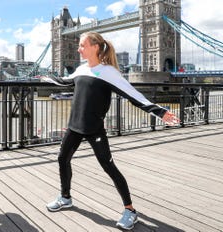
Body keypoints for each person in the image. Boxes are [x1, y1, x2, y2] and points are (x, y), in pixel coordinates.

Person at [43, 31, 180, 230]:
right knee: (62, 159)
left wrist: (161, 112)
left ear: (95, 47)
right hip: (74, 127)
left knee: (109, 168)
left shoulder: (109, 73)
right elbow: (64, 82)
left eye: (82, 45)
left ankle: (130, 210)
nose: (78, 49)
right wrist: (45, 78)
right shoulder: (81, 69)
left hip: (94, 130)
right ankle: (65, 198)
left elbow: (134, 95)